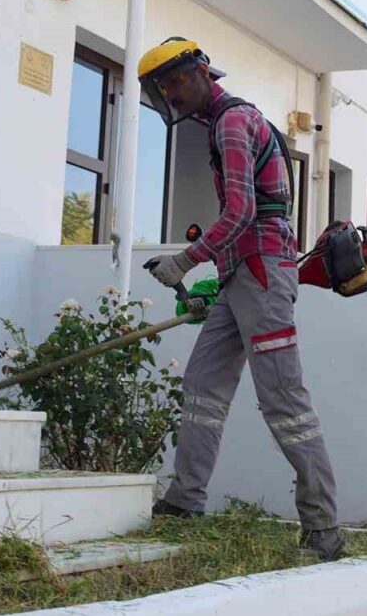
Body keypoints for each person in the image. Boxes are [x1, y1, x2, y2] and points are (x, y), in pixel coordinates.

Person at [138, 37, 345, 562]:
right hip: (245, 276)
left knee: (283, 399)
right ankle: (185, 501)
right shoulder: (227, 122)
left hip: (261, 275)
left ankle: (323, 528)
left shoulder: (231, 123)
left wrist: (185, 262)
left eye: (176, 81)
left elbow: (241, 213)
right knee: (203, 383)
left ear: (202, 71)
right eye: (163, 88)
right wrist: (219, 283)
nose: (172, 93)